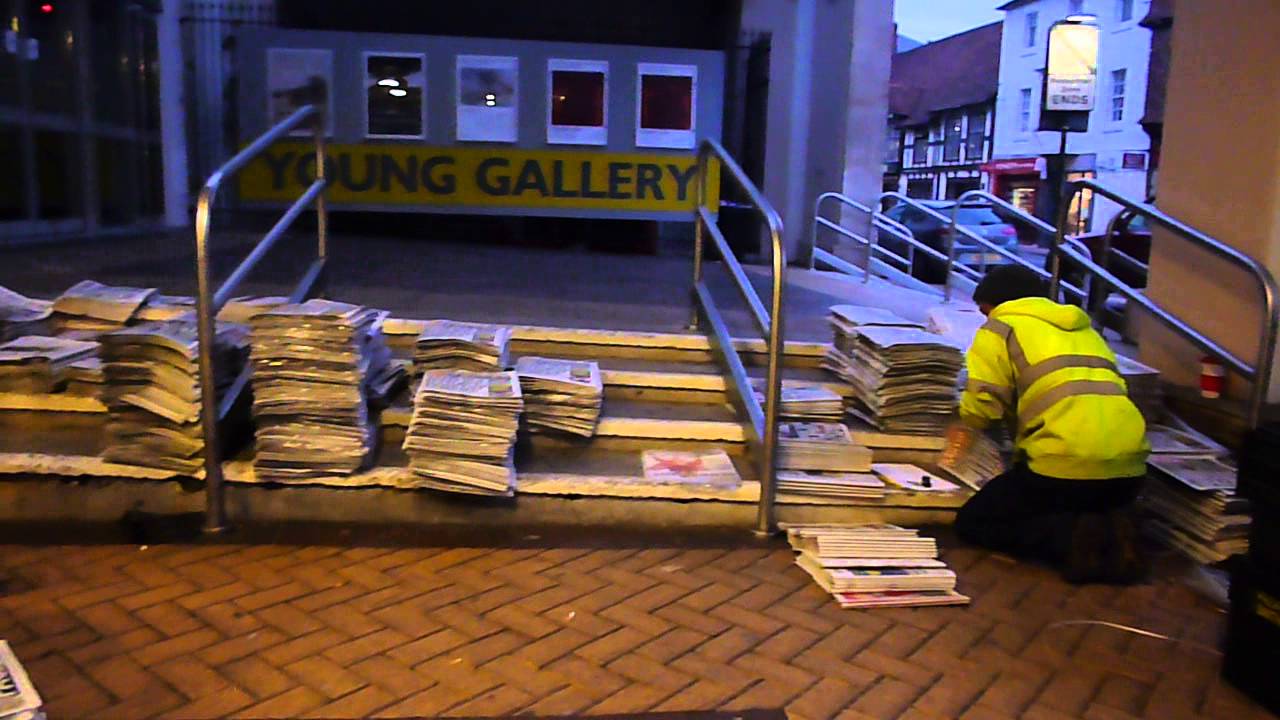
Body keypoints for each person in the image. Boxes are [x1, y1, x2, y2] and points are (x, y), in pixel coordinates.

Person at [945, 264, 1150, 584]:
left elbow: (981, 408)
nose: (985, 319)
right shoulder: (1084, 330)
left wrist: (959, 420)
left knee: (975, 523)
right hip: (1130, 471)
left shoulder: (1001, 329)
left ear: (997, 305)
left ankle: (1070, 540)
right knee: (1047, 494)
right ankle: (1111, 525)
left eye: (985, 312)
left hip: (1062, 468)